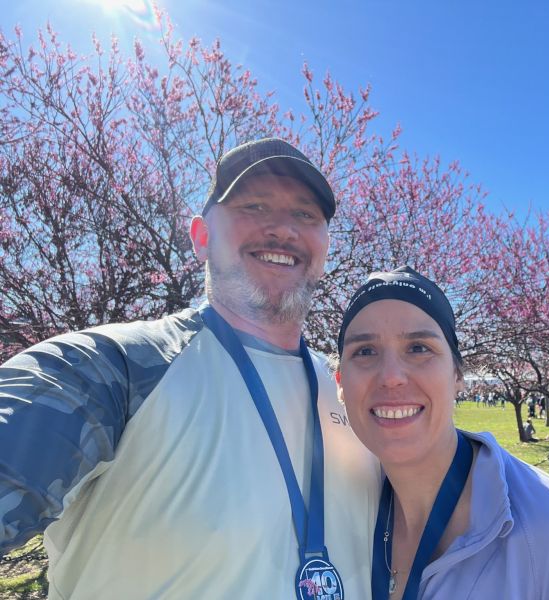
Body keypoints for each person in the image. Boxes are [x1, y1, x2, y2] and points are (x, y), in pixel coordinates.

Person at [0, 138, 380, 598]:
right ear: (201, 237)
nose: (283, 228)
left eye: (306, 214)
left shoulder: (354, 393)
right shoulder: (114, 369)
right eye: (255, 206)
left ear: (325, 246)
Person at [335, 266, 549, 599]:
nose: (391, 376)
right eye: (364, 351)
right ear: (340, 383)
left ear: (457, 375)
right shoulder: (338, 514)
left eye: (418, 348)